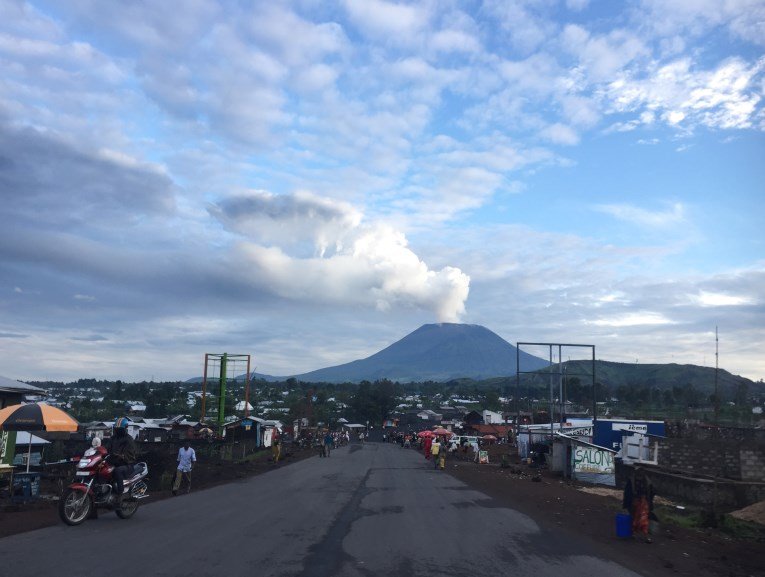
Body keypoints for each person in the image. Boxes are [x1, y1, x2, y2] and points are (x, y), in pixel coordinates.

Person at [108, 417, 137, 502]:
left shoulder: (129, 439)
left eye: (119, 429)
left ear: (125, 428)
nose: (117, 430)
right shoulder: (113, 438)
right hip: (114, 462)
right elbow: (107, 449)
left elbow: (131, 454)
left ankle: (120, 495)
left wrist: (121, 456)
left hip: (127, 464)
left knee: (117, 471)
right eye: (116, 428)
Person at [623, 467, 655, 542]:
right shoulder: (632, 481)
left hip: (643, 503)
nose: (641, 472)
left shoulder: (647, 481)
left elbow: (651, 492)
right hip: (634, 502)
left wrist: (649, 501)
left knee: (644, 519)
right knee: (635, 518)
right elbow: (627, 493)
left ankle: (646, 536)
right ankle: (634, 534)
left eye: (642, 470)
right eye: (639, 470)